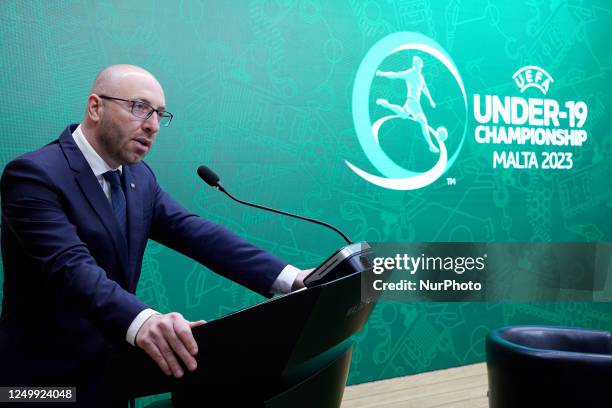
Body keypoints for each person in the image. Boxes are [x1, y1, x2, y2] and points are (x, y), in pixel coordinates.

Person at [0, 64, 309, 406]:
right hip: (41, 385)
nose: (153, 125)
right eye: (139, 107)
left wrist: (295, 279)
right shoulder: (34, 175)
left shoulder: (139, 177)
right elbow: (69, 266)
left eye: (160, 114)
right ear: (95, 107)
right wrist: (146, 321)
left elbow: (195, 233)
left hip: (110, 377)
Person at [375, 56, 440, 152]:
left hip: (412, 102)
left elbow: (424, 89)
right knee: (423, 121)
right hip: (412, 101)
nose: (419, 67)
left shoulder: (421, 77)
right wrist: (381, 74)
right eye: (417, 65)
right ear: (415, 65)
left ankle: (386, 104)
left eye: (420, 65)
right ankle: (430, 145)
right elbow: (395, 75)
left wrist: (431, 100)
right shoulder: (409, 73)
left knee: (403, 114)